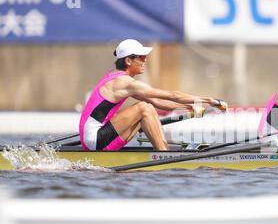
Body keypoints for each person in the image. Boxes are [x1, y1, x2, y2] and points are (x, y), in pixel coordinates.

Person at [79, 39, 227, 151]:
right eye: (141, 57)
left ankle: (163, 151)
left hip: (98, 138)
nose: (145, 60)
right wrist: (210, 100)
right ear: (128, 61)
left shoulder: (121, 81)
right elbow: (172, 95)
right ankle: (163, 156)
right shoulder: (123, 83)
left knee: (147, 108)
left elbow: (158, 103)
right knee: (144, 108)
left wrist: (193, 107)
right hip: (95, 140)